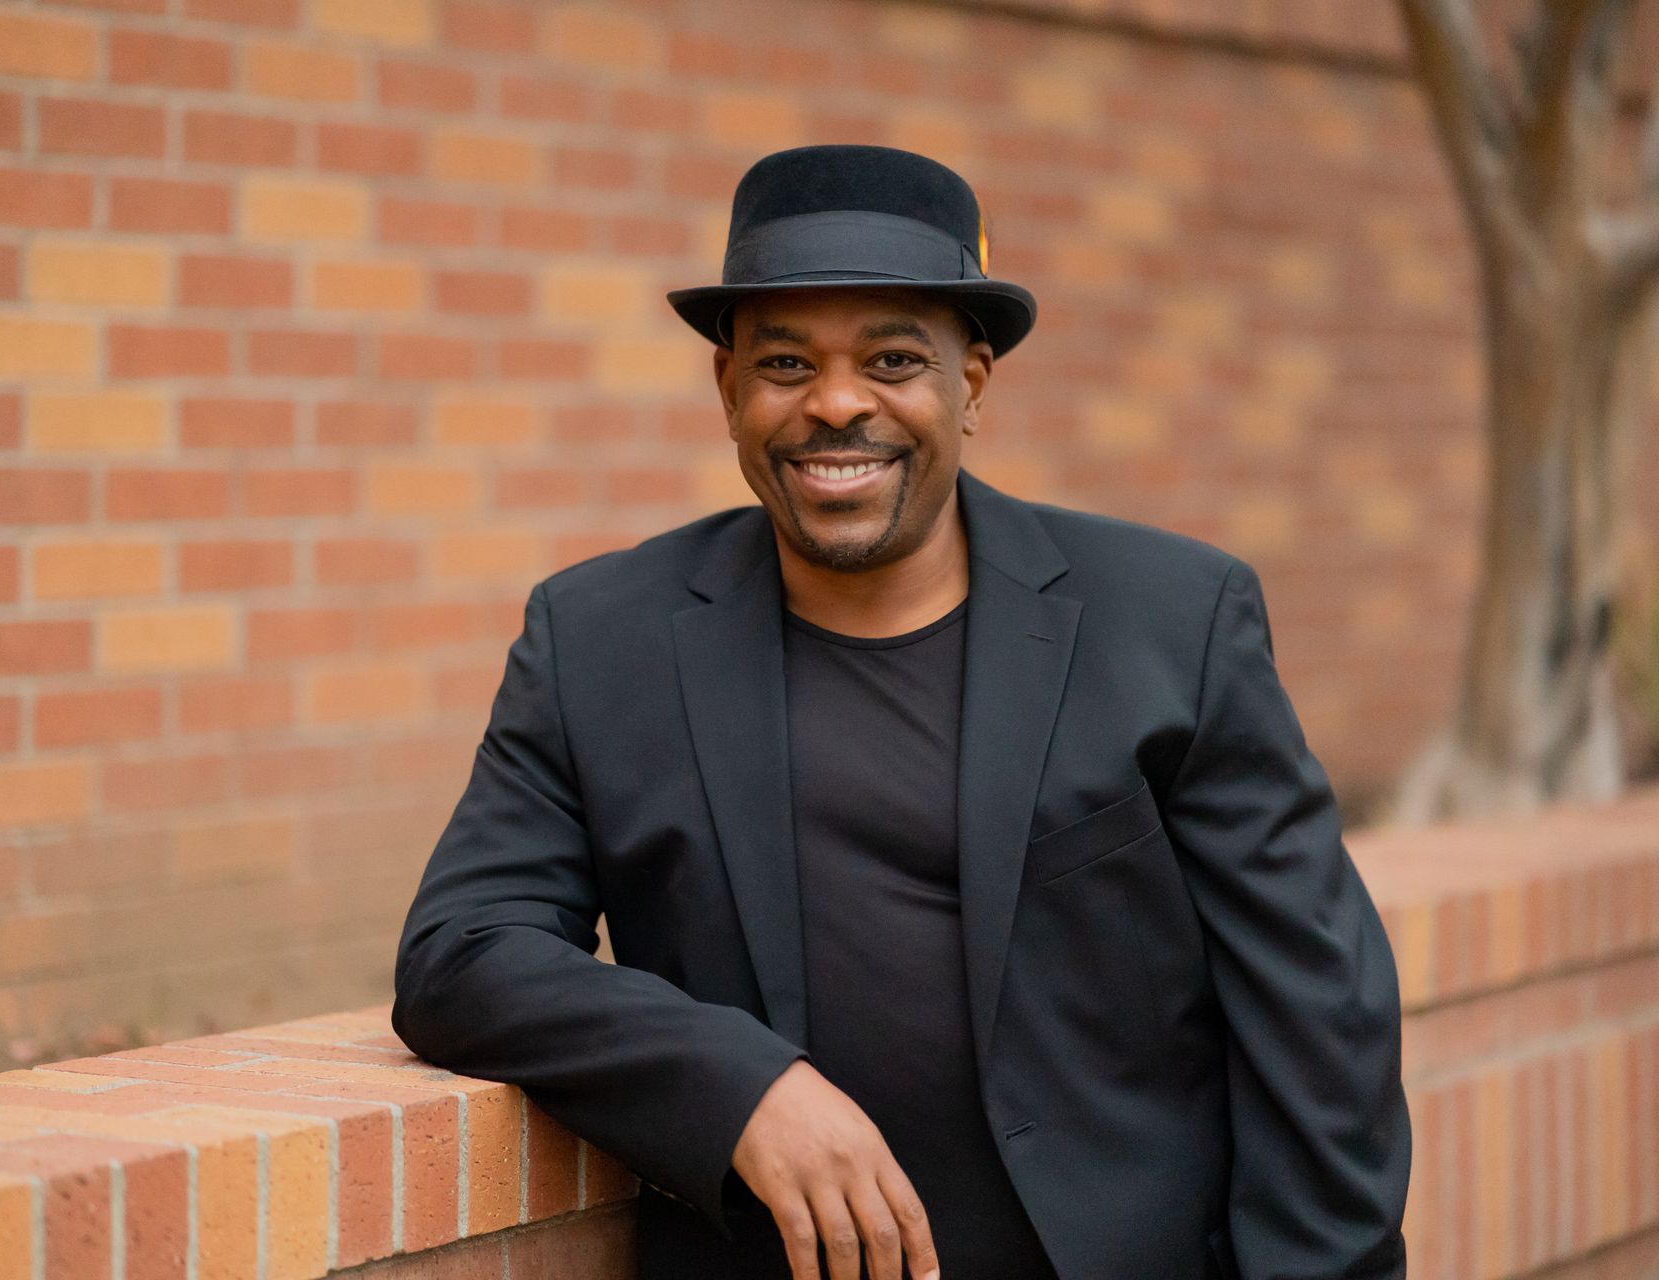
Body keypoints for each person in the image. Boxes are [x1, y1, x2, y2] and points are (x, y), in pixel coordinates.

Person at [390, 144, 1411, 1280]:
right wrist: (741, 1083)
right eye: (784, 361)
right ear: (727, 390)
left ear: (969, 385)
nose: (835, 403)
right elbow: (463, 952)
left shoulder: (1170, 623)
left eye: (891, 357)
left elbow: (1319, 1016)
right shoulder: (599, 640)